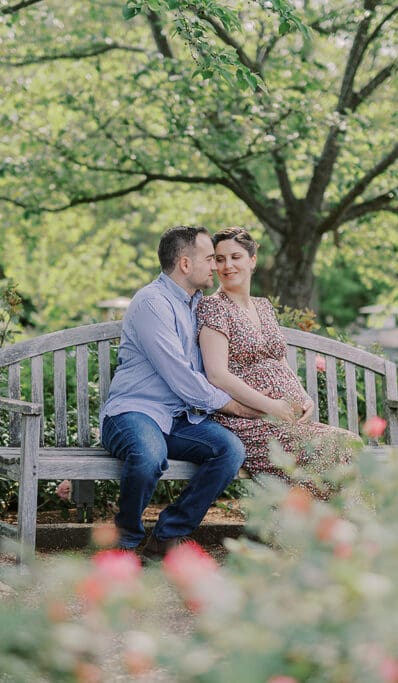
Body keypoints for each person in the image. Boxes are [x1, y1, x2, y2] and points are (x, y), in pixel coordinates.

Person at [101, 225, 260, 561]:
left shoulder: (197, 304)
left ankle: (167, 536)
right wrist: (232, 406)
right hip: (134, 413)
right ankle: (126, 539)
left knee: (229, 450)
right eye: (208, 259)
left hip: (180, 419)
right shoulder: (151, 303)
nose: (216, 267)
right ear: (185, 265)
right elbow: (180, 376)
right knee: (148, 456)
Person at [197, 227, 358, 496]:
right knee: (336, 447)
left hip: (287, 420)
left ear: (252, 260)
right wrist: (272, 407)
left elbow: (279, 360)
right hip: (251, 422)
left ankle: (342, 533)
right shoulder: (213, 307)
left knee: (348, 447)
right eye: (220, 259)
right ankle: (308, 534)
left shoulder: (263, 306)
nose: (227, 265)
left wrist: (305, 397)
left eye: (235, 257)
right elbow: (217, 375)